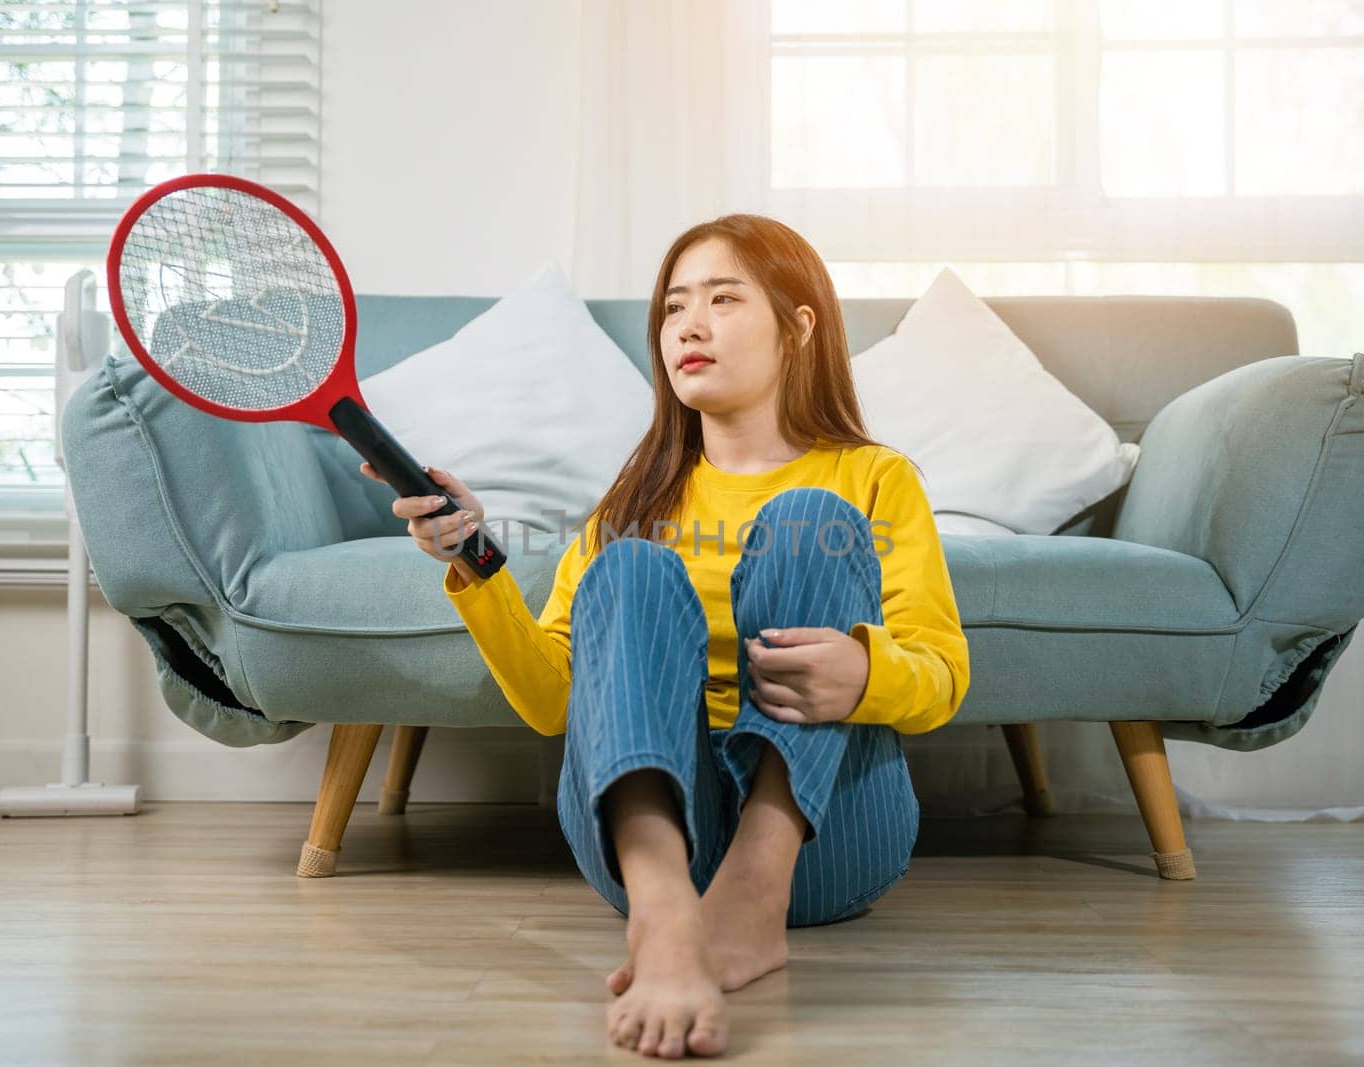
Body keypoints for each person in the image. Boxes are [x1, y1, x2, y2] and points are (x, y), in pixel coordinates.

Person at [359, 214, 970, 1060]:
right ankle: (665, 910)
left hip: (822, 844)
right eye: (675, 306)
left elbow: (942, 671)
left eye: (724, 298)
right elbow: (550, 703)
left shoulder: (873, 477)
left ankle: (753, 896)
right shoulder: (632, 503)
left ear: (799, 328)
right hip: (652, 843)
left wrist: (866, 673)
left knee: (808, 521)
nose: (688, 323)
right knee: (633, 565)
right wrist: (476, 563)